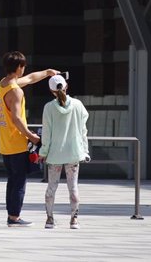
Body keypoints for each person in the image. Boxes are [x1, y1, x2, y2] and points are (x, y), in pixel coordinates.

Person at [0, 51, 59, 227]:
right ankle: (14, 217)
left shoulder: (3, 84)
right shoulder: (16, 92)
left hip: (6, 143)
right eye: (23, 66)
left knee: (12, 180)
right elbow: (17, 119)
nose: (24, 70)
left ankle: (12, 215)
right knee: (19, 182)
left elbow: (31, 79)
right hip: (17, 143)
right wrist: (32, 137)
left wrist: (47, 72)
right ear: (18, 67)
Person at [39, 74, 90, 230]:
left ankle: (49, 219)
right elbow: (83, 131)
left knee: (51, 187)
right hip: (74, 152)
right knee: (73, 187)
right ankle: (74, 220)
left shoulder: (48, 107)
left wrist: (43, 151)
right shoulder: (78, 105)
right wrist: (85, 151)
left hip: (55, 153)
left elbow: (46, 133)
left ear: (50, 90)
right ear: (66, 86)